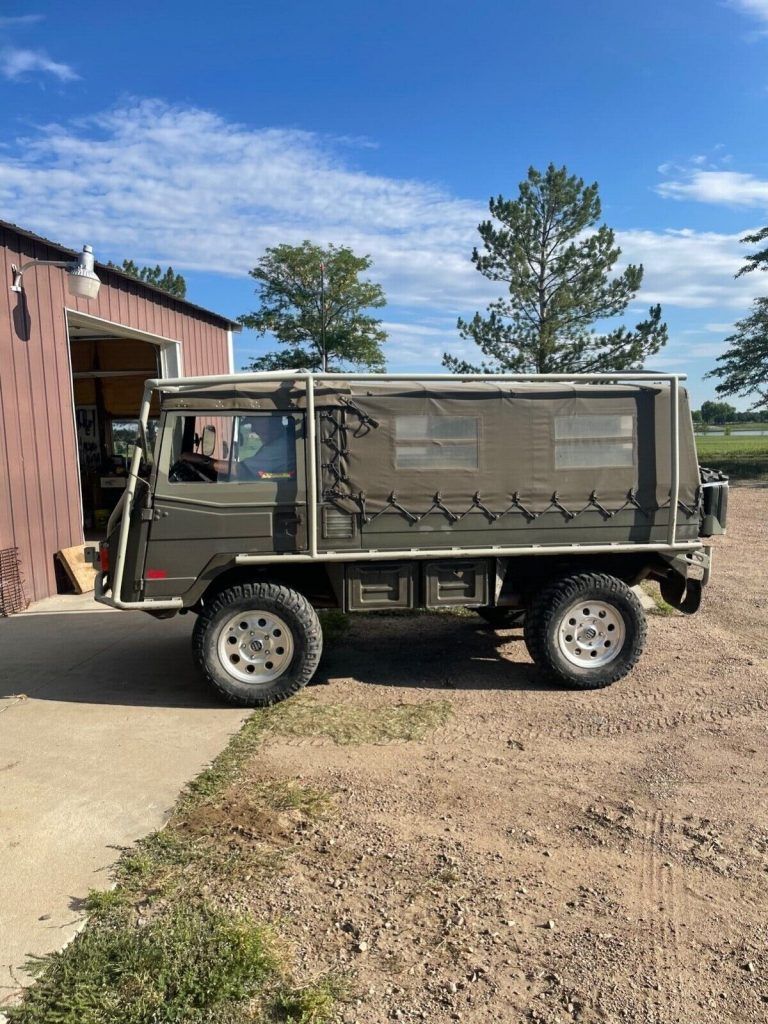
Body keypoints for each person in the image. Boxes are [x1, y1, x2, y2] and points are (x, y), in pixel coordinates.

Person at [237, 415, 296, 480]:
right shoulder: (284, 440)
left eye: (254, 423)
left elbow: (241, 470)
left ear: (269, 421)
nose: (252, 429)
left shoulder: (279, 447)